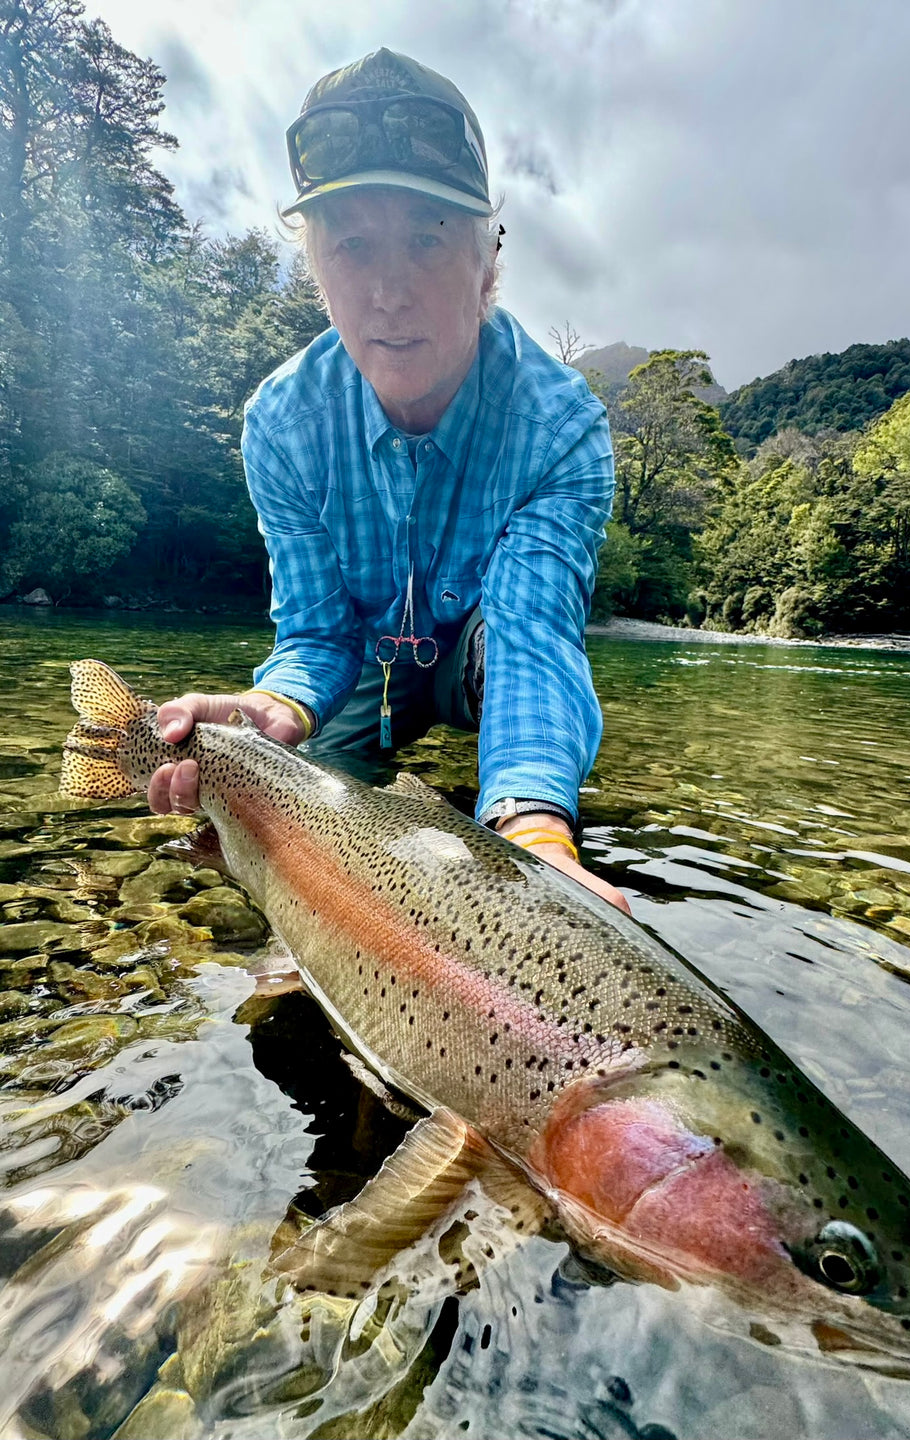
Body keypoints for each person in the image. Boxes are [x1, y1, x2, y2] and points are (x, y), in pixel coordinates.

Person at [148, 47, 627, 914]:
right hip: (364, 662)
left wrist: (533, 834)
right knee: (302, 822)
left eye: (427, 239)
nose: (388, 291)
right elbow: (316, 633)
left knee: (508, 679)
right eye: (354, 245)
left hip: (480, 659)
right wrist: (272, 710)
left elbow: (532, 637)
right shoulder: (283, 425)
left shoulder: (561, 428)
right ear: (319, 269)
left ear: (488, 261)